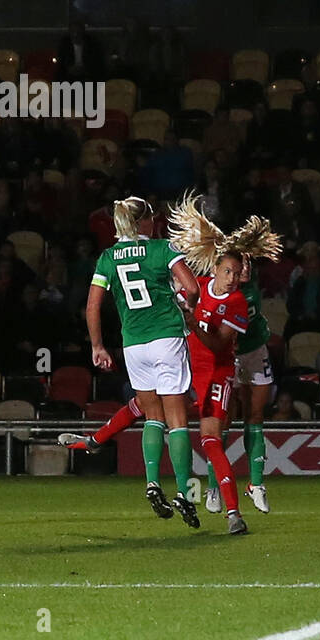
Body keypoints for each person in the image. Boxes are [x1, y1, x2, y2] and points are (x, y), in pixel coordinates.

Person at [70, 196, 202, 527]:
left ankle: (153, 482)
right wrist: (186, 303)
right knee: (177, 418)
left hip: (134, 344)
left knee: (151, 415)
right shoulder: (163, 249)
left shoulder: (108, 258)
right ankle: (185, 493)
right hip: (166, 337)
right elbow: (193, 288)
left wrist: (98, 345)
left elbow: (92, 306)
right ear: (144, 222)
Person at [167, 195, 283, 534]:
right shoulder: (203, 285)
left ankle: (249, 494)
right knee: (212, 428)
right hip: (198, 368)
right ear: (217, 267)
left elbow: (217, 341)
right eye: (231, 268)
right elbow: (180, 286)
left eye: (243, 267)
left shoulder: (239, 297)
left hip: (234, 360)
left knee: (242, 422)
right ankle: (212, 488)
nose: (237, 273)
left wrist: (190, 320)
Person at [206, 224, 285, 518]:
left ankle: (256, 483)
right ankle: (214, 485)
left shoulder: (245, 288)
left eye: (249, 263)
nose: (246, 269)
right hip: (229, 358)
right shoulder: (220, 288)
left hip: (254, 352)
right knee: (223, 420)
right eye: (241, 265)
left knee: (255, 415)